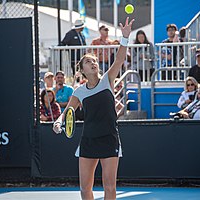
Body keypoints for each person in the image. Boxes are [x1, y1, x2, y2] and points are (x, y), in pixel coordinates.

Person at [53, 17, 134, 200]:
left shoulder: (107, 80)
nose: (94, 63)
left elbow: (120, 59)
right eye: (89, 62)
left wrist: (125, 38)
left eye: (94, 61)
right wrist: (58, 122)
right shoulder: (79, 91)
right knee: (84, 189)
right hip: (88, 140)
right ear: (82, 70)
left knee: (110, 188)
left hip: (109, 138)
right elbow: (68, 112)